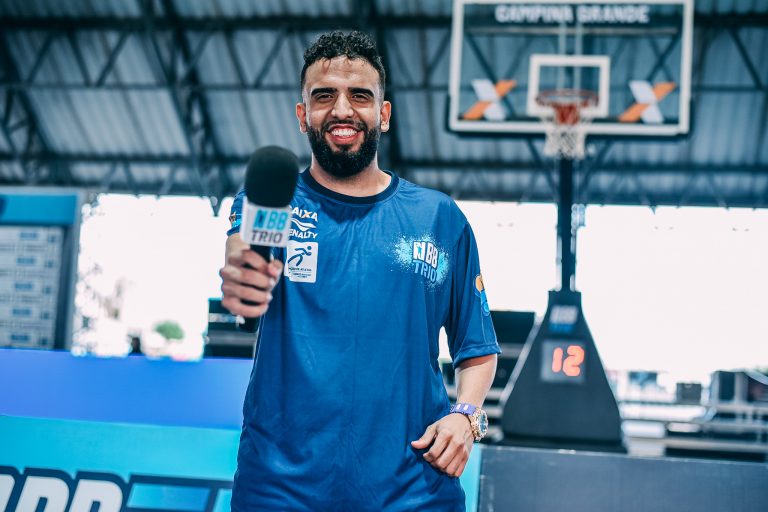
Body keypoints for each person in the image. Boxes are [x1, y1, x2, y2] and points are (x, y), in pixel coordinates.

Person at [219, 30, 499, 511]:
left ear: (384, 114)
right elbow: (242, 257)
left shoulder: (438, 218)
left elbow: (477, 347)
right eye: (324, 96)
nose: (342, 110)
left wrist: (466, 415)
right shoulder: (275, 203)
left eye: (360, 96)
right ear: (302, 115)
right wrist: (241, 276)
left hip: (413, 490)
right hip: (280, 488)